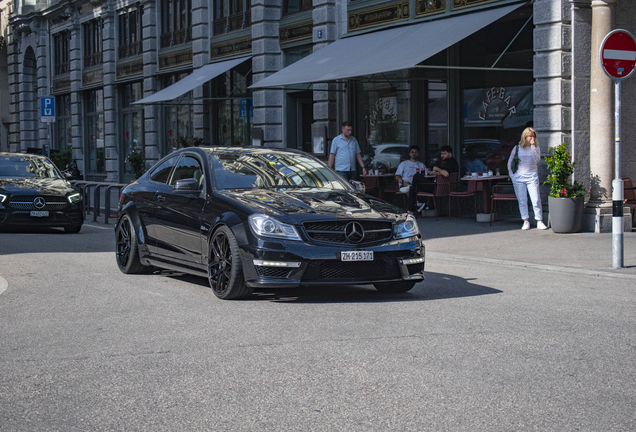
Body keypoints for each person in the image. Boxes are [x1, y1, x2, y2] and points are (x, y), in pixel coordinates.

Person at [508, 127, 548, 230]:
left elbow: (536, 160)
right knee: (522, 200)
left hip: (532, 176)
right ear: (525, 137)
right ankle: (525, 221)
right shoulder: (517, 148)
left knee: (536, 199)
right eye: (530, 136)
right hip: (519, 177)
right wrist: (513, 176)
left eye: (533, 136)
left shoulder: (536, 148)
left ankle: (539, 220)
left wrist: (533, 147)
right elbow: (509, 163)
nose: (532, 138)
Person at [395, 145, 427, 214]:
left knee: (413, 187)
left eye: (416, 152)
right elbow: (397, 176)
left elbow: (425, 176)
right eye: (412, 152)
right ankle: (417, 203)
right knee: (409, 187)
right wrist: (401, 181)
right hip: (405, 183)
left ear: (418, 153)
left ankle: (413, 207)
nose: (414, 153)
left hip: (417, 184)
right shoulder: (403, 164)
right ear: (409, 154)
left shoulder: (421, 165)